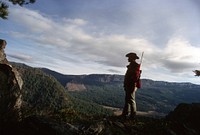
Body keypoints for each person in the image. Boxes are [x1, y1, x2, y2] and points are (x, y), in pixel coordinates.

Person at [121, 52, 140, 119]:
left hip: (131, 86)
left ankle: (132, 116)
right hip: (129, 85)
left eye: (129, 58)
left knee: (131, 100)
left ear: (132, 58)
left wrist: (133, 85)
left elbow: (134, 77)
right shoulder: (132, 66)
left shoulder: (135, 66)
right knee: (127, 100)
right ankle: (125, 114)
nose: (128, 59)